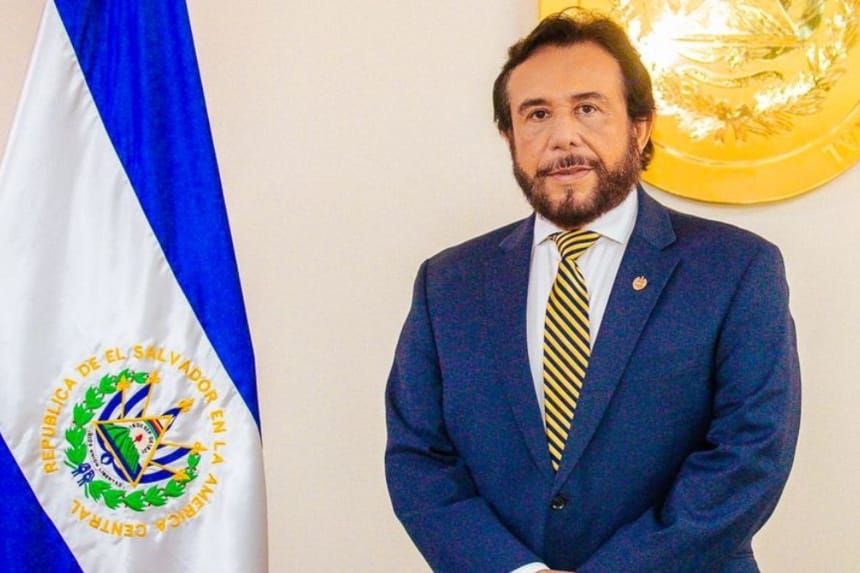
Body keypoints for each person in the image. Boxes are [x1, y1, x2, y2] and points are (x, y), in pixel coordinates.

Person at [384, 10, 801, 573]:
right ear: (509, 137)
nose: (563, 137)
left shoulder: (737, 268)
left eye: (588, 108)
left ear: (640, 126)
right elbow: (419, 460)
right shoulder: (447, 284)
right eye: (537, 114)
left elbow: (750, 455)